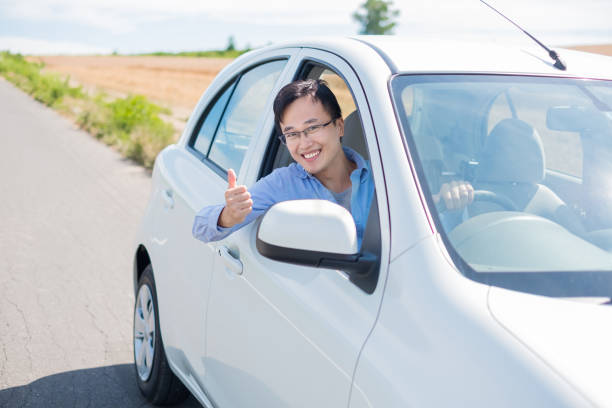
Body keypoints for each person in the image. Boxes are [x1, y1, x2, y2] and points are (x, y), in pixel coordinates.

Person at [192, 79, 473, 246]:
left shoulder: (386, 180)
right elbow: (201, 227)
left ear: (339, 127)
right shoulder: (282, 184)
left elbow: (425, 239)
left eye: (313, 128)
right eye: (291, 134)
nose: (304, 144)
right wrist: (230, 215)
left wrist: (451, 203)